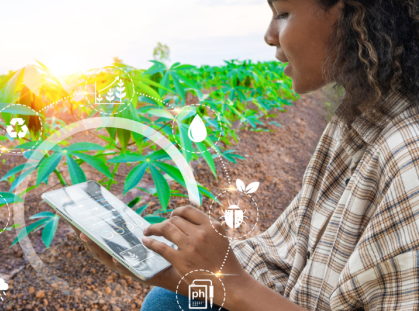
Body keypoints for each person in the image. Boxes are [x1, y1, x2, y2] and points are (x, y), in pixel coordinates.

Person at [71, 0, 419, 309]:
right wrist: (164, 268)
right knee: (166, 299)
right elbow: (290, 255)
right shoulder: (360, 115)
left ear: (348, 12)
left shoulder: (409, 158)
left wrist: (232, 286)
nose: (269, 35)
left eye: (283, 13)